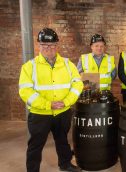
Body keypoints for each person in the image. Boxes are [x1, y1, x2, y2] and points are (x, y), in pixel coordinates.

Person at [19, 28, 83, 172]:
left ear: (57, 45)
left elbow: (77, 84)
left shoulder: (67, 64)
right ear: (39, 46)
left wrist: (66, 101)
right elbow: (25, 92)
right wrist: (47, 104)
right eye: (45, 45)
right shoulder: (29, 67)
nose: (49, 48)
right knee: (35, 145)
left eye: (52, 45)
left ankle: (65, 164)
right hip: (40, 114)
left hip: (63, 111)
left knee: (62, 141)